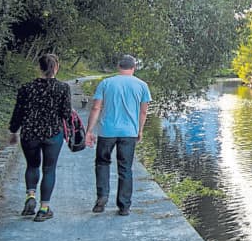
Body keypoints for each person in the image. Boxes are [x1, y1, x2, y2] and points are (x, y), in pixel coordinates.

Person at [8, 53, 73, 222]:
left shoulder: (26, 88)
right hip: (53, 134)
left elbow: (18, 112)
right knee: (49, 169)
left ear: (39, 67)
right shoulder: (63, 88)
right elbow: (66, 114)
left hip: (30, 133)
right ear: (56, 68)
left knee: (32, 165)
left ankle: (30, 196)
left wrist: (13, 131)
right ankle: (44, 209)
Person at [85, 54, 151, 216]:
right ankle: (124, 206)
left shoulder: (106, 83)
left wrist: (89, 130)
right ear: (134, 68)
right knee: (125, 168)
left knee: (102, 163)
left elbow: (96, 108)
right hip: (129, 133)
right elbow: (143, 111)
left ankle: (102, 198)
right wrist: (140, 130)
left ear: (118, 67)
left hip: (107, 131)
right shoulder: (142, 85)